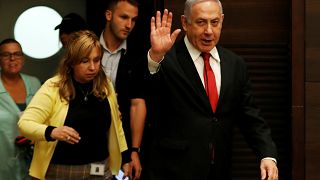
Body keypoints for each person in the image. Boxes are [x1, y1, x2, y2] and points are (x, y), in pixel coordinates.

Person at [143, 0, 279, 179]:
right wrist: (155, 57)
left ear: (222, 21)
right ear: (185, 23)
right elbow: (146, 92)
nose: (208, 31)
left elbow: (250, 116)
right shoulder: (167, 59)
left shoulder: (235, 64)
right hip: (173, 170)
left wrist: (267, 154)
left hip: (219, 169)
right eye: (201, 22)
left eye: (214, 22)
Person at [17, 30, 130, 180]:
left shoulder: (105, 85)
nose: (92, 67)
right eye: (85, 61)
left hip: (101, 169)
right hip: (61, 170)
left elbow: (117, 125)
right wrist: (52, 131)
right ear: (71, 62)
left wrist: (126, 158)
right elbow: (24, 124)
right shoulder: (53, 87)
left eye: (96, 60)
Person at [100, 0, 147, 179]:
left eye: (133, 20)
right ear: (109, 15)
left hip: (123, 141)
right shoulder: (88, 47)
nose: (129, 25)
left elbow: (137, 103)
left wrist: (134, 150)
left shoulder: (138, 54)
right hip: (88, 138)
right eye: (124, 17)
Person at [0, 38, 41, 179]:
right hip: (3, 163)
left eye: (17, 54)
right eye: (6, 55)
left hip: (32, 161)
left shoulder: (34, 83)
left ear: (23, 58)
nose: (12, 58)